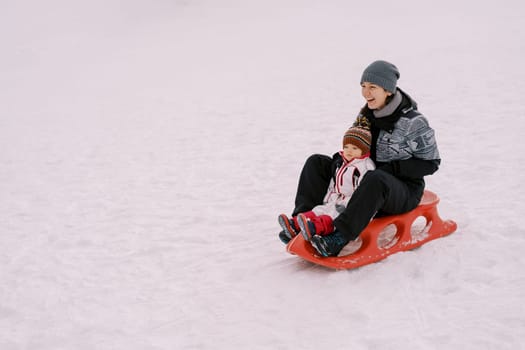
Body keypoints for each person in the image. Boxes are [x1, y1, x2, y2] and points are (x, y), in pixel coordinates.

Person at [279, 60, 441, 257]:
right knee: (317, 162)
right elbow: (357, 145)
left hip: (402, 190)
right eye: (363, 87)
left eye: (373, 87)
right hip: (364, 176)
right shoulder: (366, 115)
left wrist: (392, 169)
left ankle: (340, 236)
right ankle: (302, 221)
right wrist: (343, 161)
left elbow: (431, 163)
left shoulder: (413, 121)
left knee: (376, 178)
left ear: (388, 90)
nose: (366, 93)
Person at [278, 122, 375, 244]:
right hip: (334, 200)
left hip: (346, 205)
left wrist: (346, 205)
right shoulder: (341, 163)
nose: (349, 151)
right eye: (346, 147)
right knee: (318, 210)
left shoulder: (364, 168)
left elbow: (362, 193)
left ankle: (312, 228)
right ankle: (295, 224)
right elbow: (333, 185)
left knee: (330, 217)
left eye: (354, 148)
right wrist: (328, 200)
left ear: (364, 150)